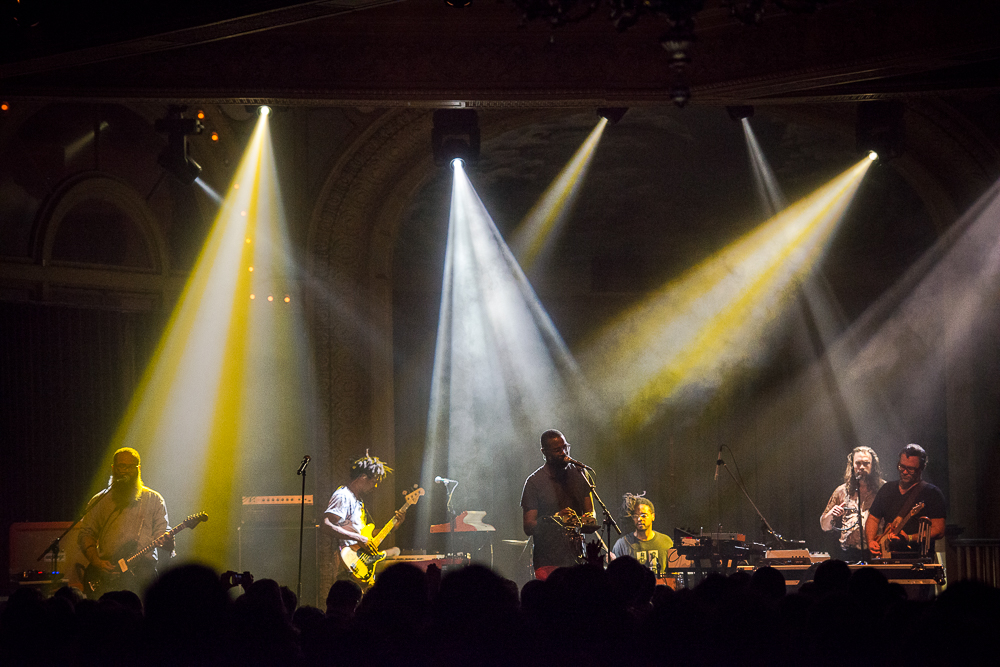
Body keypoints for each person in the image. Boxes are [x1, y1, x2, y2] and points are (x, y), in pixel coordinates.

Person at [78, 447, 171, 595]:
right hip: (107, 573)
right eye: (121, 466)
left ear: (138, 468)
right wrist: (96, 561)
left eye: (130, 467)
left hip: (142, 572)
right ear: (114, 468)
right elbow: (86, 533)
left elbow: (162, 531)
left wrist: (166, 540)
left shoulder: (154, 499)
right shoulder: (99, 501)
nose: (125, 471)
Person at [520, 429, 598, 580]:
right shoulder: (534, 482)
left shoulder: (580, 473)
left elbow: (591, 513)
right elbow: (528, 526)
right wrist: (556, 519)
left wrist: (584, 519)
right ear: (544, 452)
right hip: (548, 559)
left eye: (565, 447)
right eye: (557, 450)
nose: (563, 452)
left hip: (578, 557)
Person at [323, 451, 405, 586]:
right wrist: (360, 539)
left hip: (361, 563)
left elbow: (363, 534)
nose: (376, 486)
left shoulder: (358, 501)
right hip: (348, 564)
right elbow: (325, 524)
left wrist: (394, 527)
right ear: (363, 477)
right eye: (374, 482)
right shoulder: (343, 496)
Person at [864, 444, 946, 558]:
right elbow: (873, 518)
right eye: (901, 466)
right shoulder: (887, 488)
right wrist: (871, 541)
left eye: (911, 469)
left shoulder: (932, 493)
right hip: (888, 557)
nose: (904, 472)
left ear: (922, 468)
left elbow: (939, 530)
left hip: (918, 558)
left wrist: (910, 538)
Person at [820, 446, 885, 561]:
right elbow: (824, 526)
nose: (862, 467)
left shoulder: (884, 489)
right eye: (858, 463)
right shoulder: (841, 491)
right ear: (852, 466)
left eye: (866, 463)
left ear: (873, 466)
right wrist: (831, 514)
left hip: (876, 551)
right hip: (849, 553)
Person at [611, 493, 688, 577]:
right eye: (635, 516)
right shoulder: (622, 544)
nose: (639, 519)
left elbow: (674, 575)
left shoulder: (666, 542)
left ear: (653, 516)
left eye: (643, 515)